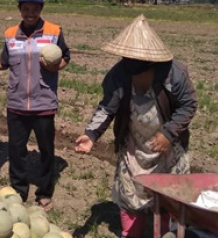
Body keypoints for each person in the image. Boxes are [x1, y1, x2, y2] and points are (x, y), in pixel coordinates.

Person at [74, 14, 198, 238]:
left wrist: (168, 133)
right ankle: (132, 234)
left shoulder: (174, 74)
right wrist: (91, 135)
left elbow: (188, 105)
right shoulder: (119, 75)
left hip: (169, 148)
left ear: (150, 59)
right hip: (134, 145)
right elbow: (106, 108)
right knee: (130, 194)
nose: (129, 63)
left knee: (171, 195)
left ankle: (169, 233)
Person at [0, 0, 70, 211]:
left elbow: (66, 57)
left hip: (43, 102)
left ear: (40, 9)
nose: (30, 13)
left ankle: (44, 193)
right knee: (16, 150)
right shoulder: (10, 34)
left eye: (35, 9)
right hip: (16, 103)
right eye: (26, 9)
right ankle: (18, 191)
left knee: (46, 150)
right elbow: (3, 63)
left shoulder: (54, 31)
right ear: (20, 9)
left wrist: (56, 66)